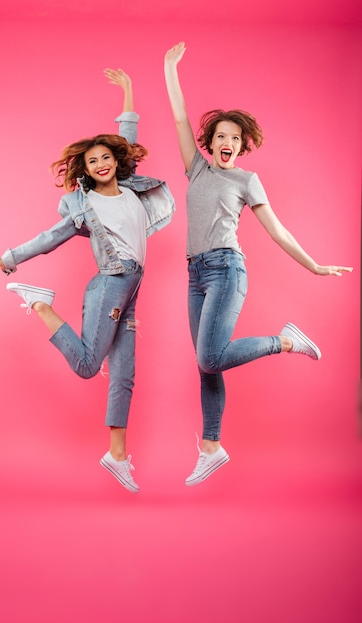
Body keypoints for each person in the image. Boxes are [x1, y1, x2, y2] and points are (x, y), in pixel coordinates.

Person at [164, 42, 353, 487]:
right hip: (194, 273)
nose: (227, 142)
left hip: (227, 270)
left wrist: (314, 266)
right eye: (220, 136)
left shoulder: (246, 180)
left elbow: (276, 229)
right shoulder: (197, 170)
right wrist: (169, 69)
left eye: (234, 137)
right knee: (205, 364)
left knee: (210, 357)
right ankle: (211, 447)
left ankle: (284, 342)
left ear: (241, 146)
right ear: (208, 144)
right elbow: (178, 118)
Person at [0, 69, 175, 494]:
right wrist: (10, 259)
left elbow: (126, 133)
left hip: (132, 288)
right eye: (93, 161)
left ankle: (117, 456)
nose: (102, 163)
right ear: (85, 171)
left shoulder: (130, 189)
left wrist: (127, 90)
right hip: (111, 283)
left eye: (106, 157)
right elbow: (50, 238)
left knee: (124, 375)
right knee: (90, 367)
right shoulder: (84, 208)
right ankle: (41, 304)